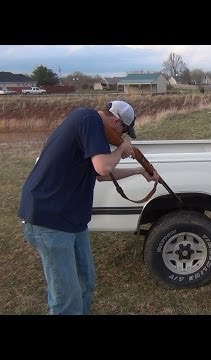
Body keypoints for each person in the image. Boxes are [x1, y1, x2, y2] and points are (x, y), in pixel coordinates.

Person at [18, 100, 160, 315]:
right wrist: (122, 149)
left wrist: (140, 172)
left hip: (72, 220)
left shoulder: (88, 126)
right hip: (49, 220)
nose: (122, 136)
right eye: (124, 130)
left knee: (86, 282)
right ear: (115, 121)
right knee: (66, 298)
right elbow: (103, 167)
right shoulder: (89, 119)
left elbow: (100, 175)